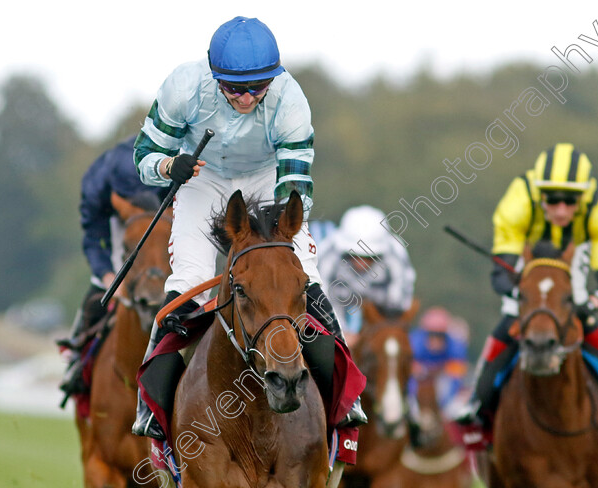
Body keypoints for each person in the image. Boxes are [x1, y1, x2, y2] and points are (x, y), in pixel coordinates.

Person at [130, 16, 366, 440]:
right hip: (201, 178)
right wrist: (170, 165)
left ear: (272, 79)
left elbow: (296, 185)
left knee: (303, 274)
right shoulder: (184, 87)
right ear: (213, 75)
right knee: (190, 280)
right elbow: (145, 155)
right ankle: (151, 408)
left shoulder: (291, 101)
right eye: (233, 88)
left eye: (257, 88)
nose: (245, 97)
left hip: (266, 177)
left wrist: (276, 235)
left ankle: (346, 402)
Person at [458, 142, 598, 427]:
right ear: (539, 193)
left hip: (572, 263)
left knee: (585, 318)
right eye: (552, 200)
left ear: (584, 195)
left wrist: (593, 302)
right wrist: (521, 293)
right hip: (528, 266)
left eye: (570, 200)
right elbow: (501, 273)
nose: (562, 210)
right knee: (509, 320)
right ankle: (477, 398)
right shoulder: (518, 200)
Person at [57, 136, 167, 399]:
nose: (134, 204)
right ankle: (76, 359)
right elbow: (94, 239)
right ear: (115, 194)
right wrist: (108, 277)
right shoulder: (97, 185)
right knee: (94, 299)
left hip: (162, 222)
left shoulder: (166, 176)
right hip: (118, 232)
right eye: (129, 200)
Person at [317, 205, 417, 347]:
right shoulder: (329, 253)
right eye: (355, 255)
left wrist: (376, 331)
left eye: (369, 257)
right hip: (338, 302)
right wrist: (340, 332)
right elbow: (322, 298)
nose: (361, 264)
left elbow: (399, 303)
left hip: (380, 308)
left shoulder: (395, 255)